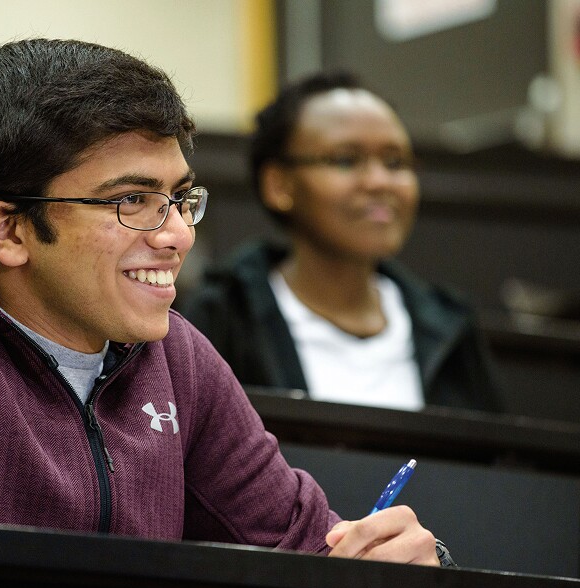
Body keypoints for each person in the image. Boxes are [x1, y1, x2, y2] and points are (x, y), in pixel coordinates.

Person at [0, 39, 446, 566]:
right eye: (131, 201)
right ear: (8, 230)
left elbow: (310, 549)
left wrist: (396, 560)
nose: (178, 234)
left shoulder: (176, 357)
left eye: (179, 198)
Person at [181, 71, 501, 413]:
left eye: (395, 162)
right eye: (346, 160)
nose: (380, 182)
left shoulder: (449, 324)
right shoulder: (223, 316)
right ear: (279, 185)